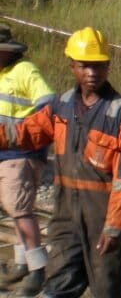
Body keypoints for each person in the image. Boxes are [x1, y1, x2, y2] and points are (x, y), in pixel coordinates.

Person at [0, 27, 121, 298]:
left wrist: (114, 229)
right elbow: (24, 133)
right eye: (85, 66)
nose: (92, 72)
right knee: (58, 285)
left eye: (99, 65)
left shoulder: (120, 112)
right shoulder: (61, 106)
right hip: (66, 218)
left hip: (104, 221)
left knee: (106, 289)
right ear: (72, 67)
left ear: (108, 67)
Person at [0, 24, 55, 296]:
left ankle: (37, 269)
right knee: (14, 208)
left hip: (21, 153)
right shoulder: (2, 73)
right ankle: (23, 262)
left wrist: (17, 133)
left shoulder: (24, 71)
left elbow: (49, 106)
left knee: (19, 208)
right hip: (5, 154)